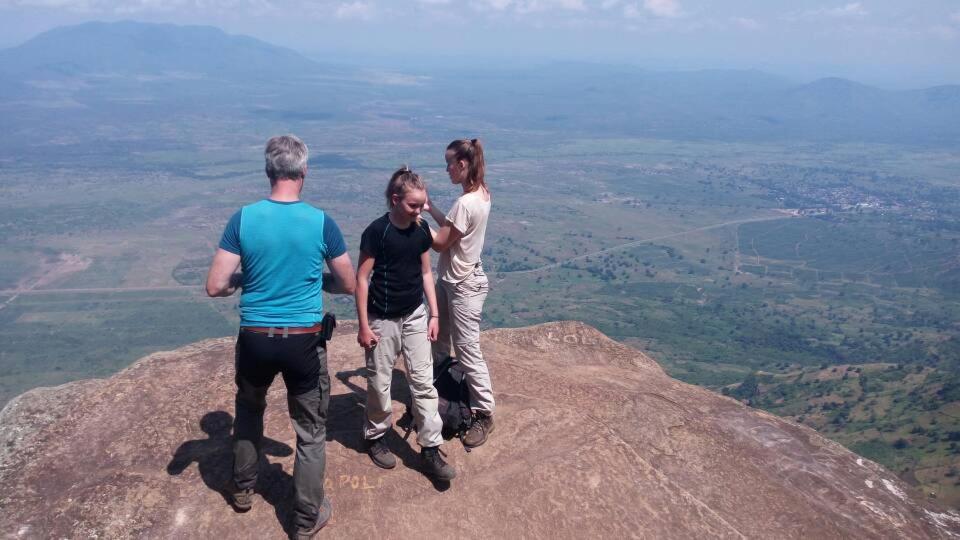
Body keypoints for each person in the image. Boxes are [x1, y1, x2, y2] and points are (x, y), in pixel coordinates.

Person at [205, 134, 356, 539]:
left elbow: (216, 285)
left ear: (268, 171)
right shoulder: (321, 221)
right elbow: (347, 283)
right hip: (302, 342)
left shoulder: (244, 219)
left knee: (250, 411)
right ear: (304, 172)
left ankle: (242, 489)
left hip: (255, 338)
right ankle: (306, 519)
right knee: (310, 430)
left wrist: (244, 279)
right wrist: (313, 279)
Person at [355, 166, 456, 481]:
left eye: (422, 204)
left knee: (424, 382)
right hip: (382, 319)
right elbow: (361, 278)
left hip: (414, 314)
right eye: (414, 205)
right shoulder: (377, 232)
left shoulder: (421, 229)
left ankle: (429, 448)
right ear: (395, 199)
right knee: (379, 383)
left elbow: (426, 272)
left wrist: (434, 314)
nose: (419, 210)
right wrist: (363, 325)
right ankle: (376, 435)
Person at [424, 138, 495, 449]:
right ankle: (439, 384)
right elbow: (453, 229)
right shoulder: (479, 194)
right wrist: (428, 207)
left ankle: (484, 412)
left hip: (463, 285)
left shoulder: (466, 202)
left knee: (467, 351)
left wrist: (415, 218)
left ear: (463, 165)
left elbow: (440, 242)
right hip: (455, 281)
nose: (447, 168)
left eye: (449, 163)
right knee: (440, 337)